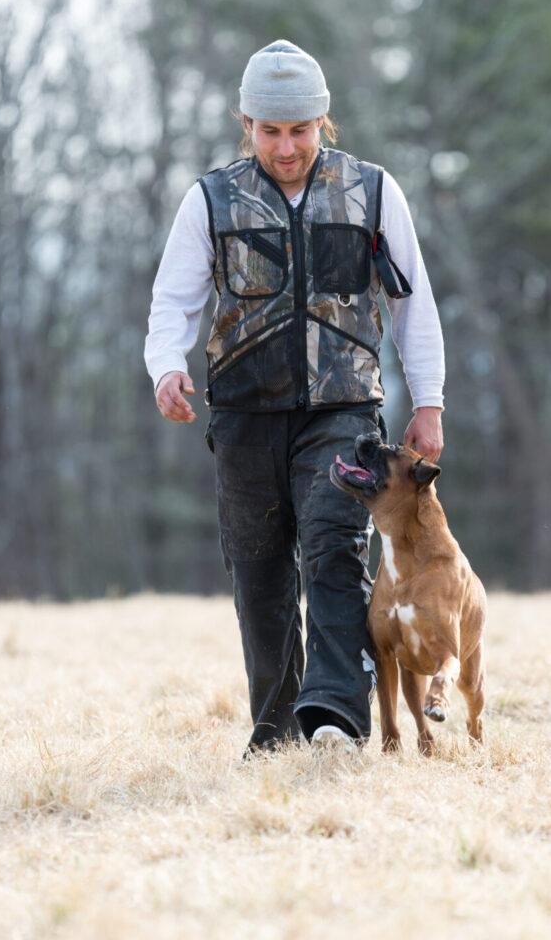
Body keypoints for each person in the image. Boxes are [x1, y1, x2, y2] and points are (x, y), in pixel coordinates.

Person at [145, 40, 445, 754]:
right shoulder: (209, 199)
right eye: (271, 130)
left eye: (300, 130)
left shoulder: (372, 191)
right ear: (245, 123)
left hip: (343, 410)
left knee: (334, 548)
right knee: (259, 571)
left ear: (323, 120)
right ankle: (274, 732)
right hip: (244, 412)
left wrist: (427, 401)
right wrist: (165, 368)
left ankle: (336, 716)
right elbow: (173, 303)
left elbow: (413, 306)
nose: (286, 146)